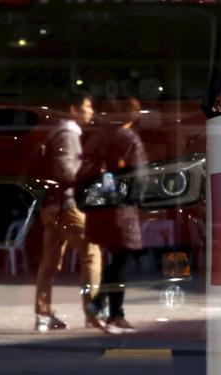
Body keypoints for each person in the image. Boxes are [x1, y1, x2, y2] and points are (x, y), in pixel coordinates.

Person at [34, 91, 103, 332]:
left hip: (50, 206)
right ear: (74, 109)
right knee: (92, 253)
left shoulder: (56, 133)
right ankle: (92, 313)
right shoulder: (69, 133)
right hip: (67, 205)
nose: (91, 111)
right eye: (87, 106)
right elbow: (67, 171)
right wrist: (92, 168)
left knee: (50, 261)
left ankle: (43, 315)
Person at [79, 96, 148, 334]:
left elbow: (83, 168)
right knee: (121, 259)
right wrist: (141, 198)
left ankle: (111, 311)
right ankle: (105, 308)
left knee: (115, 258)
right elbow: (139, 176)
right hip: (121, 209)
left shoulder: (98, 136)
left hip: (98, 208)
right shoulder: (128, 138)